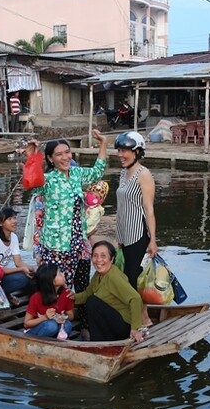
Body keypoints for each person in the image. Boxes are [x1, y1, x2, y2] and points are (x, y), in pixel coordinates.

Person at [31, 129, 108, 295]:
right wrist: (33, 156)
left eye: (67, 152)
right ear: (50, 159)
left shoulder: (75, 173)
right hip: (56, 245)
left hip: (77, 241)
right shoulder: (48, 179)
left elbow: (97, 172)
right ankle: (51, 316)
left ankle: (74, 316)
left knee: (75, 285)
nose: (65, 157)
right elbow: (33, 183)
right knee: (55, 285)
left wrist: (103, 143)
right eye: (59, 154)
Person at [113, 131, 157, 330]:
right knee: (127, 277)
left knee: (134, 278)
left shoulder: (144, 174)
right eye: (119, 150)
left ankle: (144, 320)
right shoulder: (124, 173)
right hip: (124, 234)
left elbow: (148, 209)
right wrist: (118, 236)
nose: (121, 154)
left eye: (125, 151)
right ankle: (139, 316)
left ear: (137, 152)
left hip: (138, 234)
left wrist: (153, 240)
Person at [73, 241, 145, 343]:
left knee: (92, 302)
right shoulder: (98, 275)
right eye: (95, 256)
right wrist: (72, 297)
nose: (98, 260)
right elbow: (87, 293)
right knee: (91, 300)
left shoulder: (113, 276)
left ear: (111, 259)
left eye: (103, 256)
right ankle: (102, 339)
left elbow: (135, 299)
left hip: (124, 325)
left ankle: (97, 342)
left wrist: (135, 329)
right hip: (112, 322)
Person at [0, 206, 34, 298]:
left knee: (32, 276)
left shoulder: (13, 237)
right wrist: (22, 269)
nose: (14, 221)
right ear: (0, 223)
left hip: (3, 275)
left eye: (14, 218)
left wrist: (33, 269)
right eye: (9, 219)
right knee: (22, 279)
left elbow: (18, 263)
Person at [24, 263, 75, 340]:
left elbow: (71, 317)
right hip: (35, 332)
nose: (63, 274)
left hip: (55, 328)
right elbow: (27, 324)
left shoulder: (66, 293)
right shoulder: (36, 297)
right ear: (52, 280)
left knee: (67, 325)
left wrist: (64, 317)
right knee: (51, 326)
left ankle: (56, 344)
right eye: (59, 273)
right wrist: (45, 317)